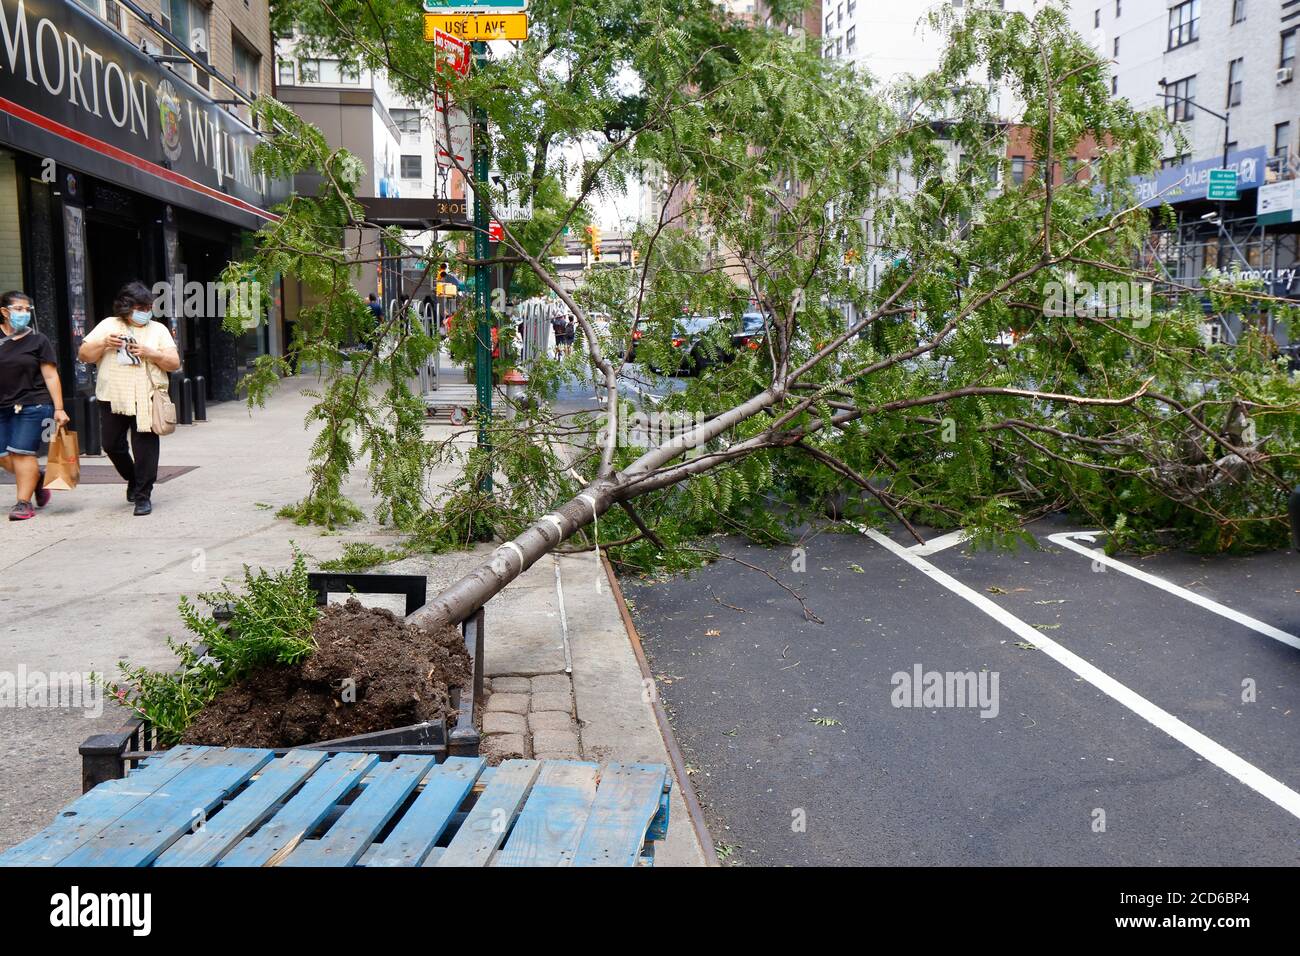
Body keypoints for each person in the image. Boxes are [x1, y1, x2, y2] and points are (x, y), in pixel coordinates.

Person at [77, 281, 181, 516]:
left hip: (147, 396)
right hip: (112, 396)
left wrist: (150, 353)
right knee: (111, 444)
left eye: (148, 307)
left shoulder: (158, 330)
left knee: (145, 448)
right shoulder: (108, 325)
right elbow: (84, 355)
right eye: (139, 308)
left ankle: (143, 495)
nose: (145, 312)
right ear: (126, 307)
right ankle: (133, 478)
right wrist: (103, 343)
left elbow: (174, 363)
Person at [0, 291, 69, 520]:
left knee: (21, 453)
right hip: (2, 406)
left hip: (34, 404)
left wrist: (59, 408)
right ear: (4, 312)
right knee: (3, 455)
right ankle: (36, 479)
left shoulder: (38, 340)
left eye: (27, 310)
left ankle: (23, 503)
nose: (24, 314)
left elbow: (51, 376)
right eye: (18, 309)